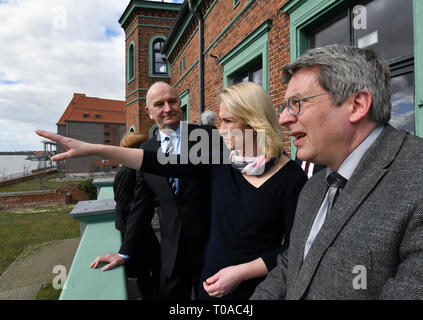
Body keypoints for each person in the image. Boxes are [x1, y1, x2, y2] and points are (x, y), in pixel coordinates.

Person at [36, 81, 307, 300]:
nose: (219, 130)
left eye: (227, 121)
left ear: (253, 122)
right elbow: (157, 163)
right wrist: (95, 149)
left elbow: (294, 248)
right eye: (219, 121)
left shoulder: (291, 178)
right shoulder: (221, 159)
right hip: (209, 282)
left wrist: (241, 273)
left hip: (254, 288)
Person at [250, 44, 423, 300]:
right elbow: (292, 266)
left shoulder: (416, 177)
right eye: (285, 106)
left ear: (356, 105)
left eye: (296, 103)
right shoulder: (313, 188)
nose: (284, 119)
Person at [90, 82, 213, 300]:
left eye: (172, 101)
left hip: (212, 245)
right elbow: (140, 205)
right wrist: (124, 251)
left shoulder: (207, 137)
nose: (168, 108)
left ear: (180, 103)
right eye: (159, 104)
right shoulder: (146, 150)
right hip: (171, 251)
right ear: (149, 111)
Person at [112, 132, 159, 300]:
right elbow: (125, 206)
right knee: (144, 272)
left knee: (152, 267)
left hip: (139, 228)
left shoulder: (132, 169)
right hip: (134, 230)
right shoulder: (129, 172)